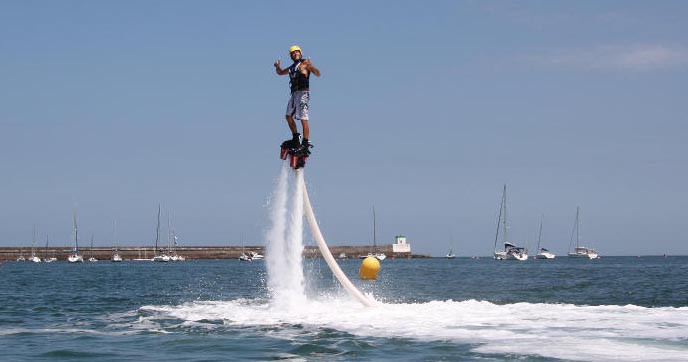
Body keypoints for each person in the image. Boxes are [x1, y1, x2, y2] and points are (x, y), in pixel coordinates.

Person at [274, 45, 321, 153]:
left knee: (303, 119)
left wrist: (311, 66)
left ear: (301, 53)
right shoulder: (292, 67)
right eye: (293, 53)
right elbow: (280, 72)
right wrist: (277, 66)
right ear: (291, 56)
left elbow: (318, 74)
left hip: (303, 93)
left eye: (297, 52)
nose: (295, 54)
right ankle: (296, 138)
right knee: (288, 116)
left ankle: (305, 144)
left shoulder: (305, 64)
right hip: (294, 94)